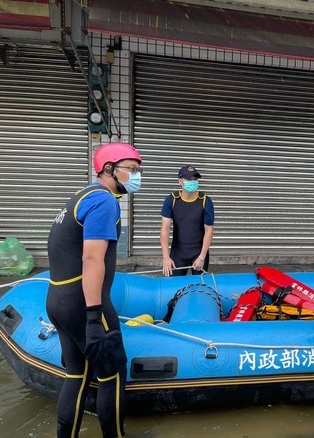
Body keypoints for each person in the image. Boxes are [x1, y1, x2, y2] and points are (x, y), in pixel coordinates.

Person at [46, 142, 143, 438]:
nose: (136, 176)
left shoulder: (80, 197)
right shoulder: (104, 202)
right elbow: (91, 258)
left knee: (76, 374)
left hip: (59, 301)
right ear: (109, 169)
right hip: (84, 304)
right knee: (112, 374)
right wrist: (93, 317)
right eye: (132, 170)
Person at [161, 165, 215, 276]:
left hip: (199, 253)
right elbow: (164, 230)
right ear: (180, 181)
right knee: (174, 287)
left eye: (195, 179)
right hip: (178, 253)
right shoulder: (172, 200)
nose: (192, 181)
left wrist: (202, 257)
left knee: (199, 287)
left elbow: (209, 231)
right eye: (188, 179)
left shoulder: (205, 201)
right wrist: (166, 257)